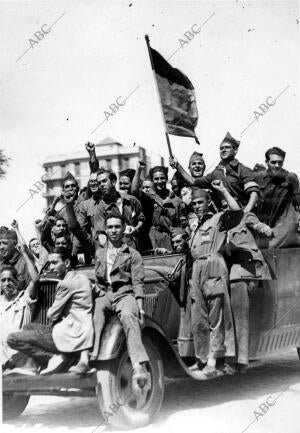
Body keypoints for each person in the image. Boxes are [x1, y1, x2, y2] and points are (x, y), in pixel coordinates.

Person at [7, 247, 94, 375]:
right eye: (49, 263)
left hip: (69, 333)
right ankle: (32, 364)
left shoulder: (65, 284)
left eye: (54, 262)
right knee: (28, 326)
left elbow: (51, 314)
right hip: (78, 327)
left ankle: (52, 357)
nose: (51, 267)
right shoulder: (82, 278)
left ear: (67, 263)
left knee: (12, 339)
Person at [187, 181, 240, 378]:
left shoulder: (218, 219)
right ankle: (201, 359)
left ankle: (213, 360)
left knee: (215, 318)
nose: (197, 206)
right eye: (194, 203)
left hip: (213, 266)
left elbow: (236, 213)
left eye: (200, 202)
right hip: (198, 269)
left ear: (209, 202)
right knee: (198, 319)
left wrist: (224, 190)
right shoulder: (195, 226)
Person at [91, 213, 149, 393]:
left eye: (117, 227)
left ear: (124, 229)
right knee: (96, 312)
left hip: (125, 294)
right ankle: (92, 355)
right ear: (106, 230)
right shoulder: (100, 253)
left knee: (128, 316)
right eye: (110, 227)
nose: (114, 231)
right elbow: (98, 278)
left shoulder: (133, 254)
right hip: (106, 294)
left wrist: (140, 307)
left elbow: (138, 283)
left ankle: (138, 364)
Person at [170, 132, 260, 213]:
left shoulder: (243, 170)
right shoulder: (216, 173)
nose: (223, 150)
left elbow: (254, 193)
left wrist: (246, 211)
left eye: (227, 147)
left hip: (243, 212)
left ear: (235, 150)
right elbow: (194, 181)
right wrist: (178, 166)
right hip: (225, 215)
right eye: (221, 148)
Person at [1, 220, 39, 369]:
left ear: (13, 243)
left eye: (4, 243)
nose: (1, 247)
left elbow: (34, 283)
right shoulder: (2, 263)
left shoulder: (25, 262)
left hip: (23, 310)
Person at [255, 146, 300, 248]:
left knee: (270, 247)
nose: (277, 165)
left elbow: (298, 203)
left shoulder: (290, 178)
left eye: (280, 162)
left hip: (282, 221)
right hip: (264, 221)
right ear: (267, 162)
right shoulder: (258, 177)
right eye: (273, 162)